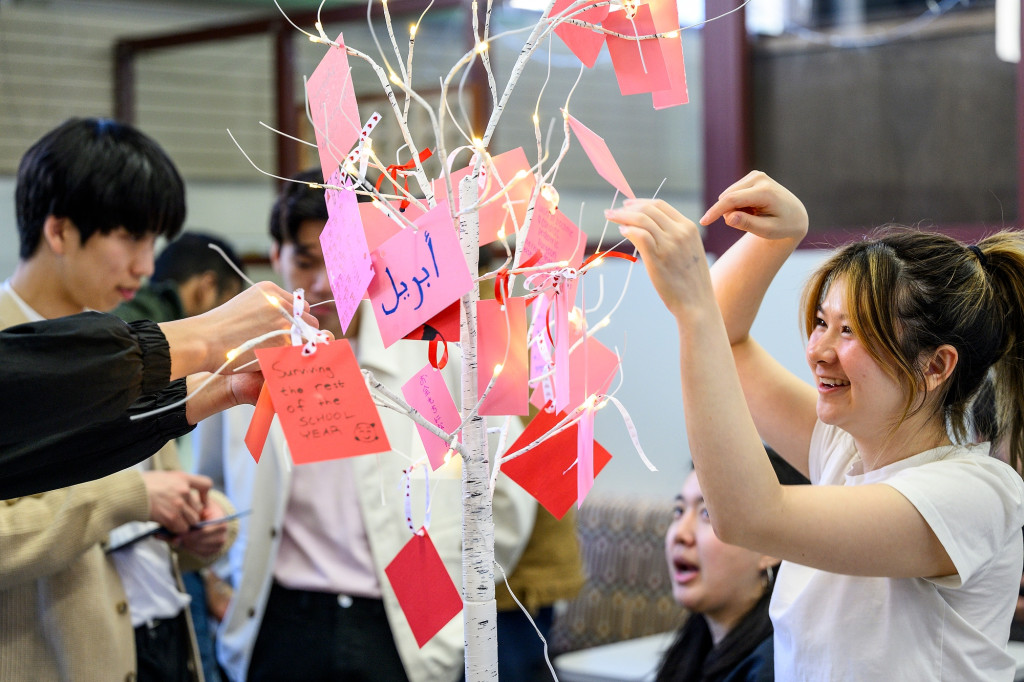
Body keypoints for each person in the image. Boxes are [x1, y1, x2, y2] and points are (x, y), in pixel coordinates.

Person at [607, 171, 1024, 679]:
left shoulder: (975, 493)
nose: (818, 351)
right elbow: (728, 341)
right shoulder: (843, 452)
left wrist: (693, 307)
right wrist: (778, 237)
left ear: (935, 367)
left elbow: (749, 517)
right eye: (822, 322)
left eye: (850, 331)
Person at [195, 170, 534, 682]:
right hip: (279, 617)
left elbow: (503, 503)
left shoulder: (436, 360)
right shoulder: (244, 364)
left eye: (342, 263)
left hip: (397, 625)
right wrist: (228, 576)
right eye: (306, 261)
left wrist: (451, 598)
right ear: (276, 255)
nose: (323, 284)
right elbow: (214, 487)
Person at [0, 117, 293, 681]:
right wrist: (131, 496)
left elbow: (162, 507)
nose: (147, 265)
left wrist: (205, 528)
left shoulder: (122, 348)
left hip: (166, 647)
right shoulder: (16, 358)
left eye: (153, 241)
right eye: (130, 237)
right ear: (58, 232)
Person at [657, 449, 807, 682]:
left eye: (708, 513)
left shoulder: (773, 666)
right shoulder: (697, 643)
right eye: (679, 510)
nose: (681, 534)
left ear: (770, 548)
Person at [116, 231, 246, 324]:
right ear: (207, 285)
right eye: (229, 304)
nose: (229, 319)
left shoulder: (143, 309)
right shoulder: (137, 324)